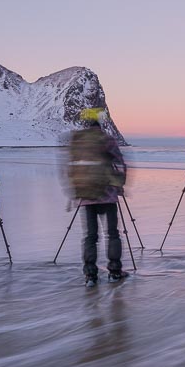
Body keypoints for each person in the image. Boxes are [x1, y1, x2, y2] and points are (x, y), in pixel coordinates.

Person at [68, 108, 127, 286]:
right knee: (112, 233)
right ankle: (114, 271)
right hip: (107, 194)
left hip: (85, 195)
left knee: (90, 236)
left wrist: (75, 189)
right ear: (100, 124)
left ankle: (90, 275)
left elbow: (71, 167)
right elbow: (120, 163)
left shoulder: (77, 141)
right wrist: (120, 184)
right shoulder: (107, 140)